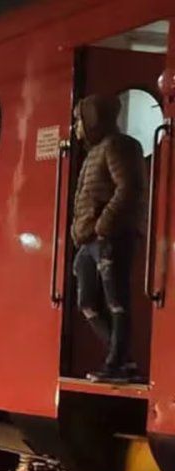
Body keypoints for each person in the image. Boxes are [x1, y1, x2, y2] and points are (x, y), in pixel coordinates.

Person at [70, 93, 146, 383]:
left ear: (93, 120)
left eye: (79, 121)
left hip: (110, 238)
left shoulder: (118, 146)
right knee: (87, 301)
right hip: (90, 241)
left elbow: (130, 187)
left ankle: (117, 364)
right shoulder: (96, 151)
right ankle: (122, 360)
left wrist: (103, 226)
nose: (76, 128)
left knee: (117, 302)